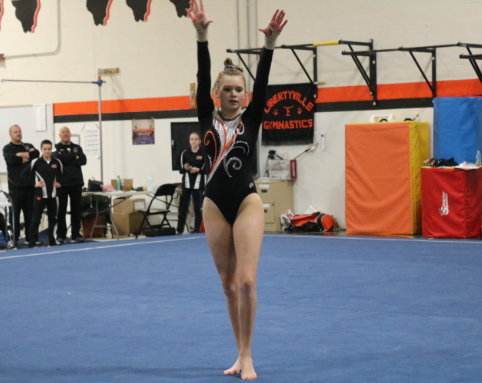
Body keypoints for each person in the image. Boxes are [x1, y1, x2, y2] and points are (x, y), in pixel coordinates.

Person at [187, 1, 287, 380]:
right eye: (227, 89)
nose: (234, 94)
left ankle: (248, 355)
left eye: (238, 90)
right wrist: (201, 36)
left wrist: (270, 46)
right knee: (228, 286)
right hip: (213, 204)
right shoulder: (205, 116)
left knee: (246, 281)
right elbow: (201, 68)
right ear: (216, 92)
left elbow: (262, 82)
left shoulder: (252, 117)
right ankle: (237, 352)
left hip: (245, 202)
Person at [2, 125, 40, 245]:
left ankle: (31, 238)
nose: (18, 133)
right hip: (15, 187)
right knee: (15, 215)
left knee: (31, 214)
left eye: (19, 131)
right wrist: (25, 156)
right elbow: (12, 160)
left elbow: (36, 155)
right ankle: (15, 239)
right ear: (10, 134)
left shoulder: (28, 145)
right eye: (15, 132)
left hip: (30, 186)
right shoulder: (7, 148)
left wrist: (19, 155)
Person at [23, 140, 63, 248]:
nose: (47, 151)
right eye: (45, 149)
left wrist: (60, 183)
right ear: (41, 149)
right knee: (36, 218)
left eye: (49, 149)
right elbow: (24, 175)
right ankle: (32, 241)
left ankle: (52, 240)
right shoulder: (35, 162)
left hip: (53, 196)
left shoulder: (57, 162)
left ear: (51, 149)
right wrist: (34, 184)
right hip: (40, 195)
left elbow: (62, 176)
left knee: (53, 219)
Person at [52, 126, 87, 243]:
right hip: (61, 184)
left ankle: (75, 234)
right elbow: (58, 159)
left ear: (70, 134)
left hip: (76, 183)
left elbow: (83, 161)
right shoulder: (56, 148)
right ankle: (61, 235)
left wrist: (67, 158)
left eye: (67, 132)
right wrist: (74, 157)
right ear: (59, 135)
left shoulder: (77, 147)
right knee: (61, 210)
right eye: (63, 132)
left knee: (76, 210)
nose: (65, 134)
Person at [177, 131, 205, 234]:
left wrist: (198, 170)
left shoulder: (203, 153)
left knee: (197, 208)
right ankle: (179, 230)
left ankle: (197, 230)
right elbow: (180, 169)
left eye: (196, 139)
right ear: (189, 141)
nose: (193, 141)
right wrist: (186, 168)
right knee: (183, 207)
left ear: (200, 141)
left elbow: (207, 169)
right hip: (187, 184)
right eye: (191, 139)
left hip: (198, 184)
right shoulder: (185, 153)